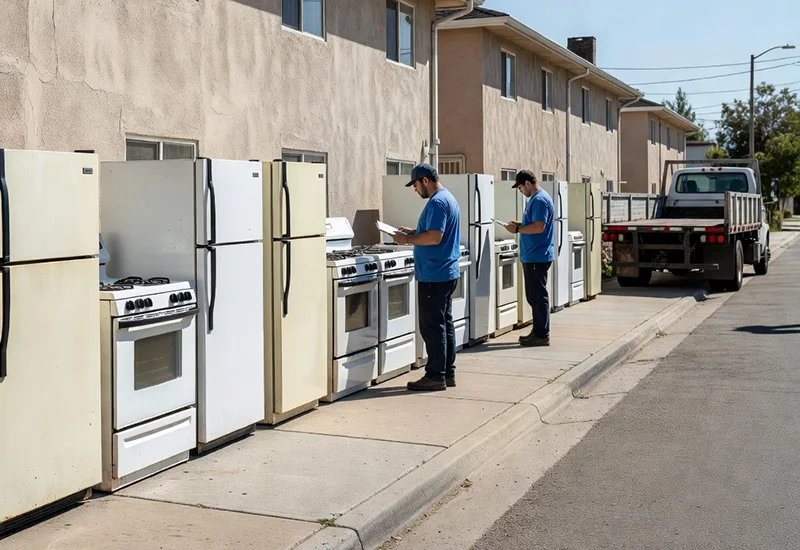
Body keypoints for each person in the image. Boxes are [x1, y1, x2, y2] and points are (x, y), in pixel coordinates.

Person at [392, 163, 461, 391]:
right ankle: (447, 373)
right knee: (444, 324)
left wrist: (407, 240)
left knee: (432, 327)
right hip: (446, 272)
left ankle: (434, 376)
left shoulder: (438, 202)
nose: (414, 190)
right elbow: (433, 231)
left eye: (415, 184)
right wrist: (413, 232)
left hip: (435, 274)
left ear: (425, 180)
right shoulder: (448, 197)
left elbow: (434, 237)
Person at [504, 170, 555, 347]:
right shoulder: (536, 199)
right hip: (534, 255)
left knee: (537, 296)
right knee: (533, 296)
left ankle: (542, 334)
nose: (520, 191)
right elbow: (534, 223)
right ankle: (538, 330)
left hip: (537, 256)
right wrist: (519, 224)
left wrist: (517, 230)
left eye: (520, 187)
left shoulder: (539, 200)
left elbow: (540, 227)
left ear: (527, 183)